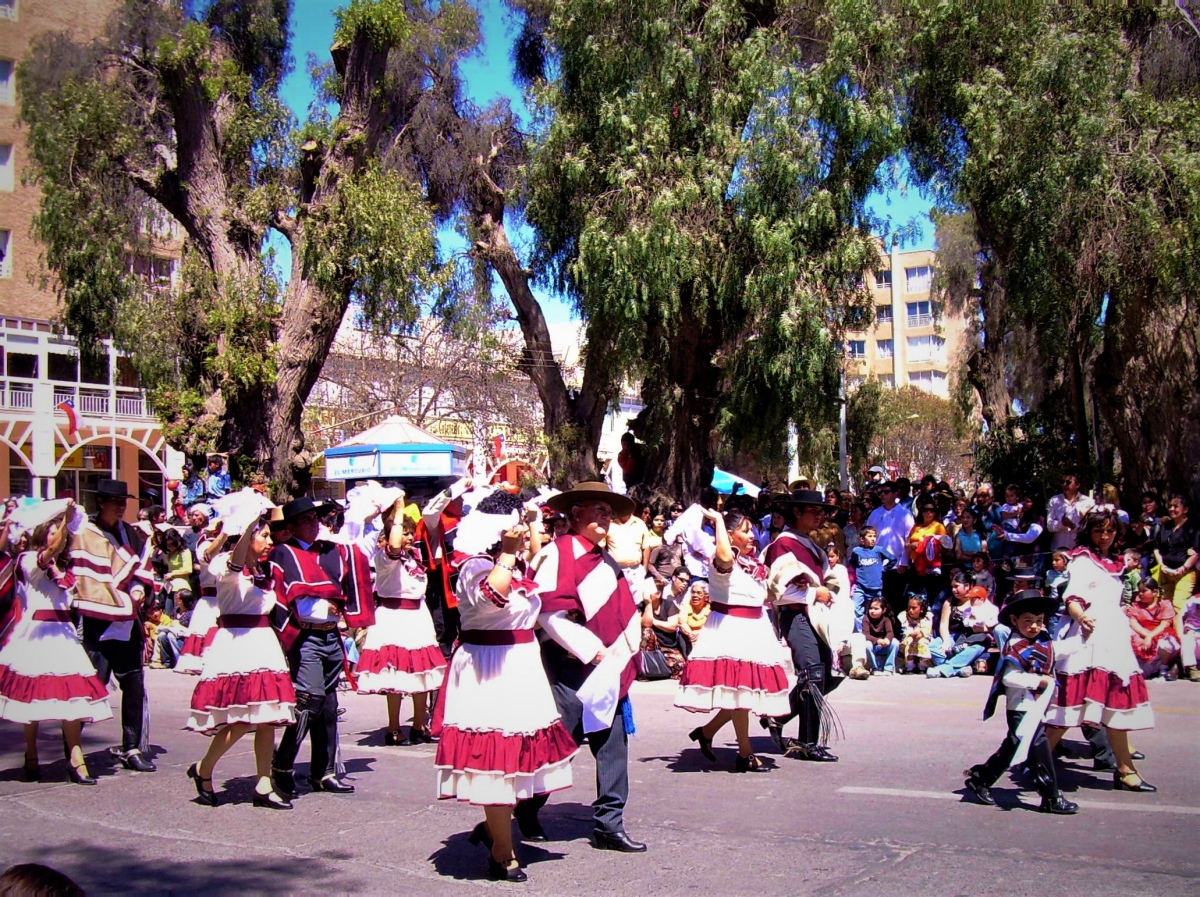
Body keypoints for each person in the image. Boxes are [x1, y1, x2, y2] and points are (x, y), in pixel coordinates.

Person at [434, 490, 576, 883]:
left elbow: (530, 563)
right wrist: (509, 553)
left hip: (522, 668)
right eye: (511, 524)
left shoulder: (513, 564)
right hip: (488, 671)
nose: (520, 530)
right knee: (496, 762)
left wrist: (530, 522)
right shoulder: (475, 566)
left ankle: (492, 829)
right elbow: (492, 598)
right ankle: (501, 850)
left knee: (519, 761)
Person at [525, 481, 647, 853]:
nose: (605, 518)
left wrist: (624, 645)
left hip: (607, 666)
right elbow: (548, 613)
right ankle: (520, 809)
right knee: (561, 743)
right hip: (570, 666)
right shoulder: (557, 553)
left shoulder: (603, 557)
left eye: (609, 513)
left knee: (612, 744)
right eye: (598, 511)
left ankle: (609, 824)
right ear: (576, 513)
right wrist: (591, 650)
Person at [186, 509, 297, 810]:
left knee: (266, 717)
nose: (268, 539)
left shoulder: (265, 570)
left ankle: (264, 783)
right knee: (239, 718)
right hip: (236, 642)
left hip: (263, 643)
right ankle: (204, 768)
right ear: (246, 538)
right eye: (262, 535)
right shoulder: (226, 564)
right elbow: (234, 564)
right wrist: (245, 526)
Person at [269, 496, 376, 799]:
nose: (315, 524)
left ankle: (323, 771)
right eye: (306, 520)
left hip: (330, 635)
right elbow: (286, 597)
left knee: (328, 706)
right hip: (305, 636)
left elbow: (357, 552)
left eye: (316, 519)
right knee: (310, 700)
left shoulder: (330, 552)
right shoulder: (283, 553)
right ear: (289, 527)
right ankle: (282, 765)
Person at [0, 500, 111, 785]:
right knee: (32, 699)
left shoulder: (66, 568)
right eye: (50, 530)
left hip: (63, 633)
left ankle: (77, 759)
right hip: (36, 633)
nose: (55, 534)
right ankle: (32, 754)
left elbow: (62, 555)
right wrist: (66, 518)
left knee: (72, 699)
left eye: (57, 530)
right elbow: (51, 551)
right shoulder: (28, 559)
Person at [1045, 509, 1156, 793]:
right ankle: (1034, 763)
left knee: (1115, 706)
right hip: (1089, 639)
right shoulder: (1082, 560)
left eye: (1109, 531)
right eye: (1098, 531)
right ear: (1088, 532)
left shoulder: (1114, 563)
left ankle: (1126, 770)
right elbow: (1072, 596)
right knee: (1067, 712)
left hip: (1113, 639)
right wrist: (1081, 617)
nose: (1105, 536)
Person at [675, 508, 791, 772]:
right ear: (729, 535)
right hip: (730, 628)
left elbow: (762, 597)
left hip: (755, 628)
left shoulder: (753, 565)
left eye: (751, 530)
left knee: (742, 693)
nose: (752, 535)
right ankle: (744, 753)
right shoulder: (721, 561)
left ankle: (707, 733)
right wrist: (716, 521)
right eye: (745, 530)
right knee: (741, 692)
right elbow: (725, 555)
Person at [68, 479, 156, 773]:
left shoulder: (130, 532)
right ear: (101, 502)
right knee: (91, 685)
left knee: (133, 683)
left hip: (127, 618)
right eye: (115, 501)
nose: (121, 506)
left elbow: (143, 569)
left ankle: (132, 747)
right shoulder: (83, 532)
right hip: (95, 618)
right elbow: (77, 571)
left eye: (124, 502)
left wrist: (141, 589)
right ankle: (73, 750)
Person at [964, 589, 1079, 815]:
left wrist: (1088, 637)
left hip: (1036, 707)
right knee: (1039, 749)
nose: (1034, 626)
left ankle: (980, 779)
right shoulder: (1015, 647)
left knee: (1012, 748)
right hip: (1021, 708)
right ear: (1015, 620)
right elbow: (1009, 678)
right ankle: (1051, 797)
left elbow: (1062, 650)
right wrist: (1039, 681)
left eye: (1039, 621)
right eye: (1028, 621)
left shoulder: (1043, 641)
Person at [760, 489, 842, 762]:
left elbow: (829, 577)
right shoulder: (783, 545)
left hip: (816, 617)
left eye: (822, 512)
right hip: (795, 615)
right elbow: (777, 591)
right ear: (797, 512)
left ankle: (779, 716)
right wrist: (813, 593)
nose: (820, 516)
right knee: (812, 674)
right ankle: (807, 742)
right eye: (814, 511)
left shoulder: (810, 546)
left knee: (828, 675)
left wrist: (824, 589)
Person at [357, 497, 447, 745]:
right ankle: (393, 727)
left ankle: (419, 724)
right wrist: (397, 511)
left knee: (422, 671)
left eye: (410, 534)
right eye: (404, 533)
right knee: (395, 674)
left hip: (418, 616)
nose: (408, 538)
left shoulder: (414, 558)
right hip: (393, 617)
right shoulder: (385, 559)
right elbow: (394, 545)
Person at [927, 571, 992, 678]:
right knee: (932, 647)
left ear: (967, 586)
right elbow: (943, 625)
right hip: (953, 637)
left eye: (956, 586)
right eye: (952, 586)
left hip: (974, 639)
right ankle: (961, 668)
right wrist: (946, 642)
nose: (953, 590)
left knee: (976, 648)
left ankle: (944, 668)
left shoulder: (979, 599)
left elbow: (989, 621)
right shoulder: (949, 602)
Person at [865, 482, 914, 616]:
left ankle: (897, 631)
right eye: (879, 492)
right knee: (879, 601)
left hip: (897, 566)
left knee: (897, 602)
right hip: (877, 565)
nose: (882, 495)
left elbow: (909, 539)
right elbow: (868, 537)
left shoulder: (905, 514)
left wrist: (904, 561)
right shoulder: (875, 514)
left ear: (895, 493)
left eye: (886, 492)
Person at [1126, 577, 1180, 680]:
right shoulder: (1137, 605)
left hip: (1159, 634)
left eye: (1144, 591)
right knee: (1141, 674)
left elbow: (1165, 624)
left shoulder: (1165, 604)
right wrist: (1146, 635)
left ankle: (1164, 669)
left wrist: (1151, 636)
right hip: (1142, 635)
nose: (1140, 594)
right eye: (1139, 591)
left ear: (1155, 592)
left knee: (1166, 643)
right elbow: (1132, 622)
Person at [1154, 495, 1198, 612]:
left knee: (1179, 604)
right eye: (1170, 506)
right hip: (1166, 572)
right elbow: (1157, 548)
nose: (1172, 509)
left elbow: (1197, 552)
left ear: (1185, 509)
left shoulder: (1193, 527)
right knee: (1164, 604)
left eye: (1176, 506)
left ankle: (1184, 629)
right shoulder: (1166, 526)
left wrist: (1184, 568)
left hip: (1185, 573)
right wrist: (1162, 565)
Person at [642, 566, 689, 677]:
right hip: (651, 648)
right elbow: (646, 624)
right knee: (647, 631)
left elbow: (672, 626)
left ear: (658, 594)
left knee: (681, 667)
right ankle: (647, 667)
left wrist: (654, 622)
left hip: (668, 647)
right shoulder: (643, 606)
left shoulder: (668, 604)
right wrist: (648, 604)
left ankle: (659, 669)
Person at [847, 526, 894, 632]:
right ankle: (861, 631)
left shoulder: (879, 550)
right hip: (861, 587)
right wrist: (859, 570)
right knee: (855, 608)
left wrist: (885, 568)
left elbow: (893, 559)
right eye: (870, 536)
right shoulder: (857, 551)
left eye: (874, 536)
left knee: (876, 611)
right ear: (862, 539)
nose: (873, 539)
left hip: (875, 588)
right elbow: (852, 561)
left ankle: (876, 632)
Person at [1046, 471, 1095, 553]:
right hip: (1058, 550)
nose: (1064, 484)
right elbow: (1049, 526)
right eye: (1062, 482)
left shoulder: (1088, 502)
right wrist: (1061, 523)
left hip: (1079, 549)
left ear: (1077, 485)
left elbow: (1089, 528)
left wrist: (1072, 526)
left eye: (1068, 482)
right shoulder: (1054, 500)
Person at [158, 528, 193, 619]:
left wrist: (172, 574)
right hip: (169, 586)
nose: (171, 547)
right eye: (168, 545)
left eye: (173, 544)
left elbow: (188, 570)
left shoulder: (184, 552)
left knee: (174, 613)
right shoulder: (169, 554)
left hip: (180, 587)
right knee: (167, 612)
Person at [898, 595, 934, 673]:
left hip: (923, 637)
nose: (910, 610)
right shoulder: (904, 616)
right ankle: (910, 666)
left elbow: (926, 630)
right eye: (909, 607)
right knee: (909, 642)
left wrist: (920, 634)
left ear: (921, 609)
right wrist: (911, 634)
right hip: (908, 637)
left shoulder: (926, 617)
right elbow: (904, 631)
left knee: (922, 642)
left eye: (914, 608)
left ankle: (922, 666)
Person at [862, 598, 897, 674]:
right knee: (866, 645)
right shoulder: (866, 618)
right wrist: (877, 640)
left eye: (876, 609)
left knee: (895, 642)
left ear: (883, 610)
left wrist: (887, 639)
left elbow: (890, 632)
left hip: (883, 646)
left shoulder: (886, 619)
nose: (872, 611)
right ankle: (875, 668)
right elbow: (866, 634)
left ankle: (888, 668)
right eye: (871, 608)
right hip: (873, 646)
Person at [1177, 589, 1200, 681]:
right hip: (1194, 644)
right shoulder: (1193, 600)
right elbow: (1178, 617)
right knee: (1187, 639)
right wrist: (1181, 636)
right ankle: (1192, 669)